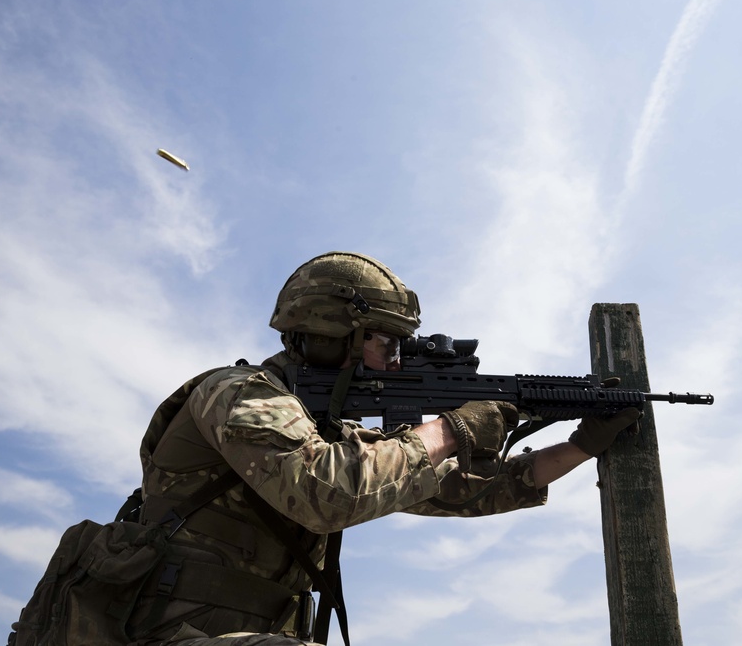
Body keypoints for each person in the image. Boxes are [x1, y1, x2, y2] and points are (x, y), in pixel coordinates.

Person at [125, 251, 640, 646]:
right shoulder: (238, 393)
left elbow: (459, 492)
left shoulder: (327, 434)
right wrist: (451, 430)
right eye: (386, 344)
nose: (396, 363)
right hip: (167, 631)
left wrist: (581, 446)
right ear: (330, 334)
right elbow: (326, 494)